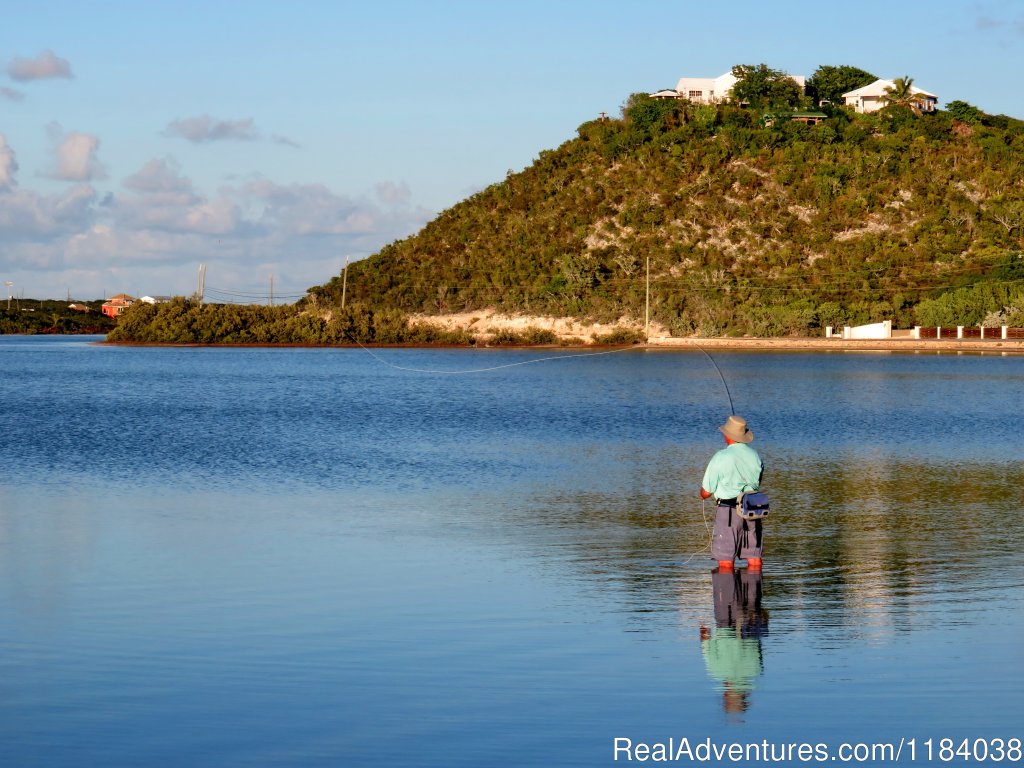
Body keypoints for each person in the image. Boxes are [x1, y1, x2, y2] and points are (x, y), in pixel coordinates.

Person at [699, 415, 765, 571]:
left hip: (728, 512)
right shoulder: (756, 456)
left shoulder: (721, 457)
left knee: (725, 561)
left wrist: (701, 494)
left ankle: (727, 593)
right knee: (755, 558)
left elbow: (706, 492)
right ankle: (753, 593)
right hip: (753, 509)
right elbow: (757, 482)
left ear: (727, 435)